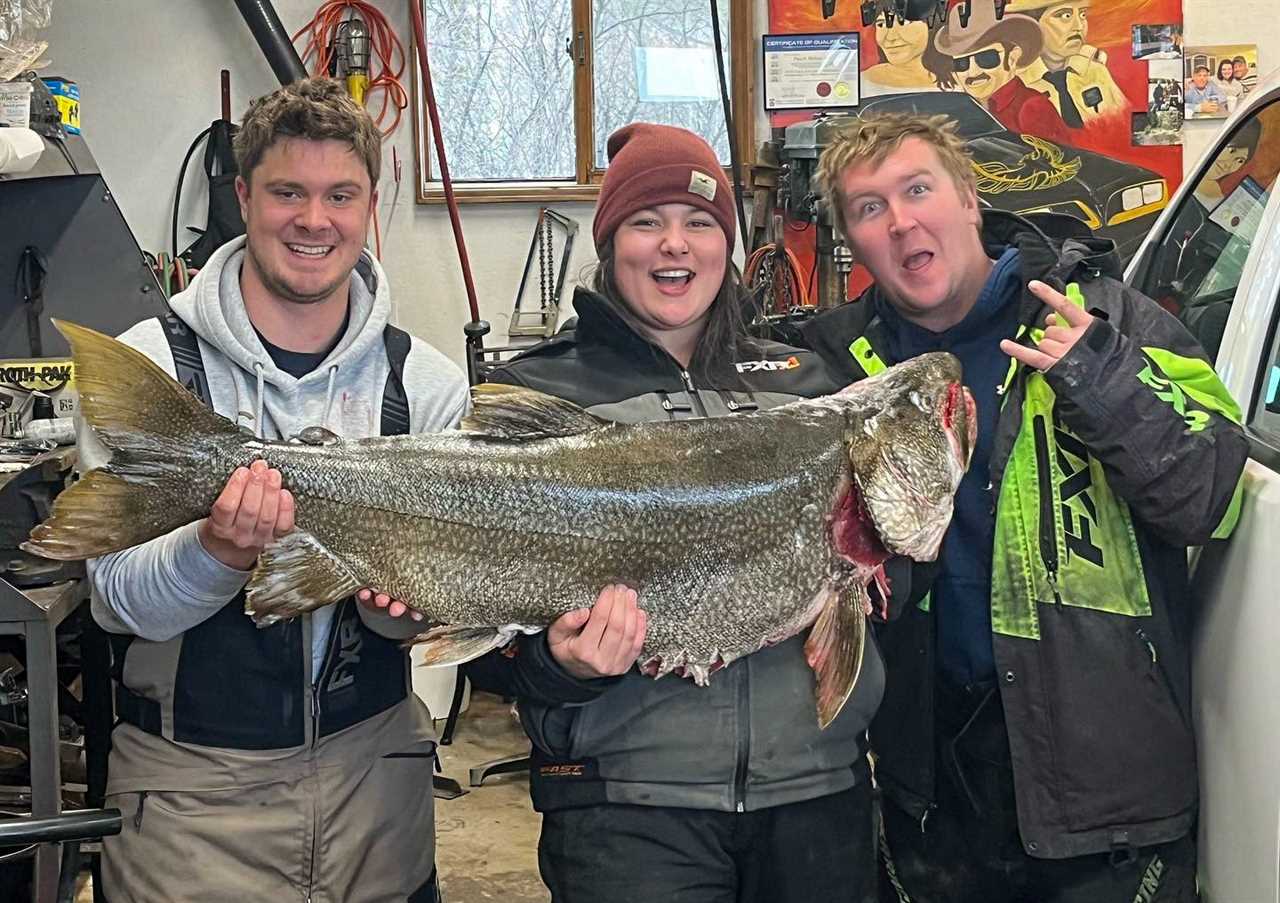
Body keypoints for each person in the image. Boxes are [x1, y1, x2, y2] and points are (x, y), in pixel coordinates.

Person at [801, 112, 1248, 902]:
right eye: (870, 208)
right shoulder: (836, 371)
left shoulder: (1112, 317)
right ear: (853, 241)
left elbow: (1210, 501)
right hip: (932, 792)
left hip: (1107, 800)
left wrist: (1102, 377)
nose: (901, 220)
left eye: (917, 189)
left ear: (969, 199)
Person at [466, 122, 892, 903]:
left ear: (726, 244)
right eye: (645, 221)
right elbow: (479, 636)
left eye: (700, 222)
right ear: (609, 241)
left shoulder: (809, 385)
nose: (675, 245)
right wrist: (559, 669)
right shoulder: (536, 396)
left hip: (817, 799)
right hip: (626, 814)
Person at [89, 78, 469, 902]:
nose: (313, 220)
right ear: (243, 196)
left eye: (340, 194)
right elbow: (116, 601)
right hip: (189, 808)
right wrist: (216, 551)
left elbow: (436, 616)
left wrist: (390, 607)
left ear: (373, 201)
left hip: (377, 794)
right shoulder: (155, 367)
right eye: (287, 192)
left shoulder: (427, 389)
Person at [931, 0, 1070, 142]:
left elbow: (1056, 162)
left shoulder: (1032, 108)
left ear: (1012, 57)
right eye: (961, 63)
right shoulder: (964, 113)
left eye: (986, 58)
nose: (972, 72)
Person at [1005, 0, 1127, 126]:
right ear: (1031, 26)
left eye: (1083, 15)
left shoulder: (1095, 72)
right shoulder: (1014, 84)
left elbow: (1122, 122)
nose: (1079, 26)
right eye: (1065, 16)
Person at [862, 0, 956, 95]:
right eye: (881, 24)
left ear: (933, 24)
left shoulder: (962, 81)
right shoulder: (862, 82)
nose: (890, 37)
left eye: (905, 22)